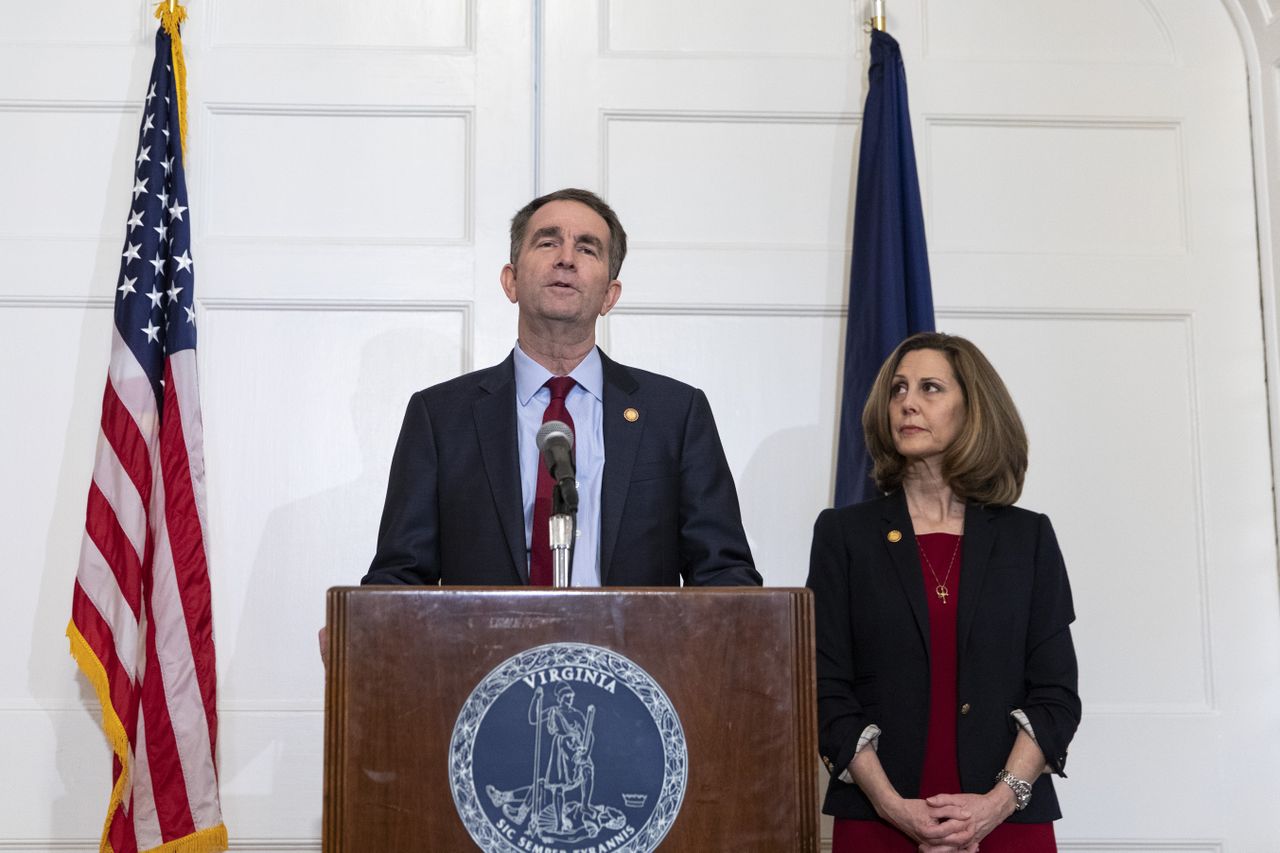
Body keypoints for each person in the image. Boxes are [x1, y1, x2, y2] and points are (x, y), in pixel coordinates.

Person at [361, 188, 759, 588]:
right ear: (511, 281)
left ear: (609, 295)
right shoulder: (441, 417)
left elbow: (724, 575)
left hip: (631, 650)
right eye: (548, 242)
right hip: (491, 650)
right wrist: (361, 629)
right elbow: (400, 577)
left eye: (587, 249)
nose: (566, 258)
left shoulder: (675, 414)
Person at [807, 332, 1080, 852]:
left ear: (973, 409)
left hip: (1006, 824)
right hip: (878, 821)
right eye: (898, 389)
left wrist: (997, 803)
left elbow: (1056, 695)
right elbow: (826, 688)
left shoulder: (1029, 537)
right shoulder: (844, 536)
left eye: (930, 388)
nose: (907, 401)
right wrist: (892, 807)